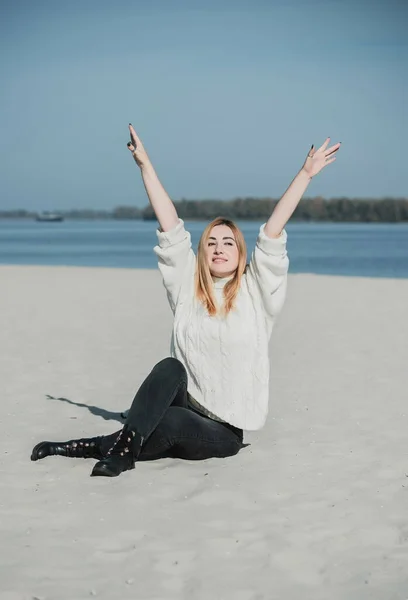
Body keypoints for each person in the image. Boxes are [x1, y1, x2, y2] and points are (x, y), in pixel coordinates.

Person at [31, 125, 341, 477]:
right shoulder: (187, 288)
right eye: (211, 242)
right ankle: (120, 452)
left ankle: (92, 446)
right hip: (184, 402)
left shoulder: (257, 292)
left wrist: (305, 174)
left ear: (241, 255)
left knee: (170, 421)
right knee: (169, 368)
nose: (219, 248)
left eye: (228, 243)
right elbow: (171, 230)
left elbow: (271, 234)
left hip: (222, 430)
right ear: (202, 253)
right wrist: (145, 166)